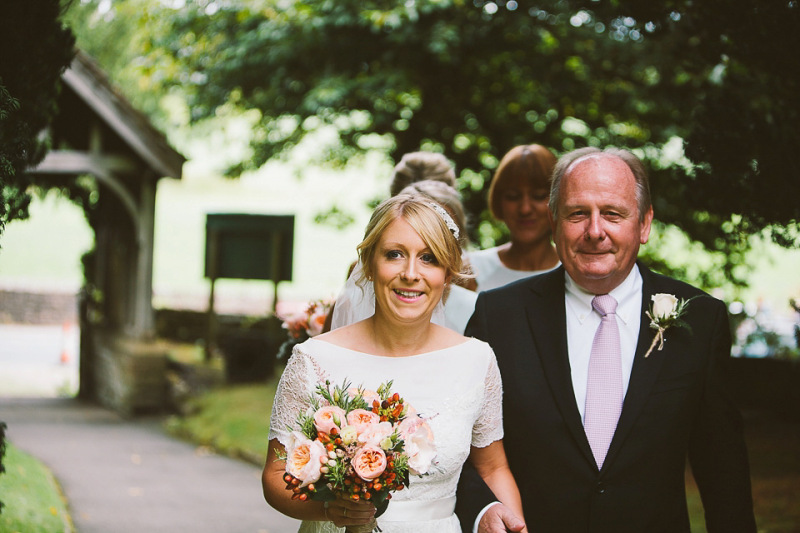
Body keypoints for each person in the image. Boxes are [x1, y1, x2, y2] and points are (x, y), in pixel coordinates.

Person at [456, 147, 756, 532]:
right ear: (554, 221)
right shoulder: (499, 316)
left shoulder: (701, 320)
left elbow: (723, 468)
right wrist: (483, 510)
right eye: (577, 213)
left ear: (644, 224)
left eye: (613, 214)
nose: (595, 231)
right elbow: (458, 446)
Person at [263, 195, 527, 533]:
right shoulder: (315, 359)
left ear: (447, 273)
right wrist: (332, 510)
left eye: (428, 258)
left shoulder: (476, 360)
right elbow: (275, 474)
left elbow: (492, 468)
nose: (411, 273)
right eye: (395, 254)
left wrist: (515, 524)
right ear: (370, 263)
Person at [466, 144, 560, 291]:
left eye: (538, 196)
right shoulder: (471, 271)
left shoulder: (576, 270)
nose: (525, 209)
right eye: (513, 197)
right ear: (498, 200)